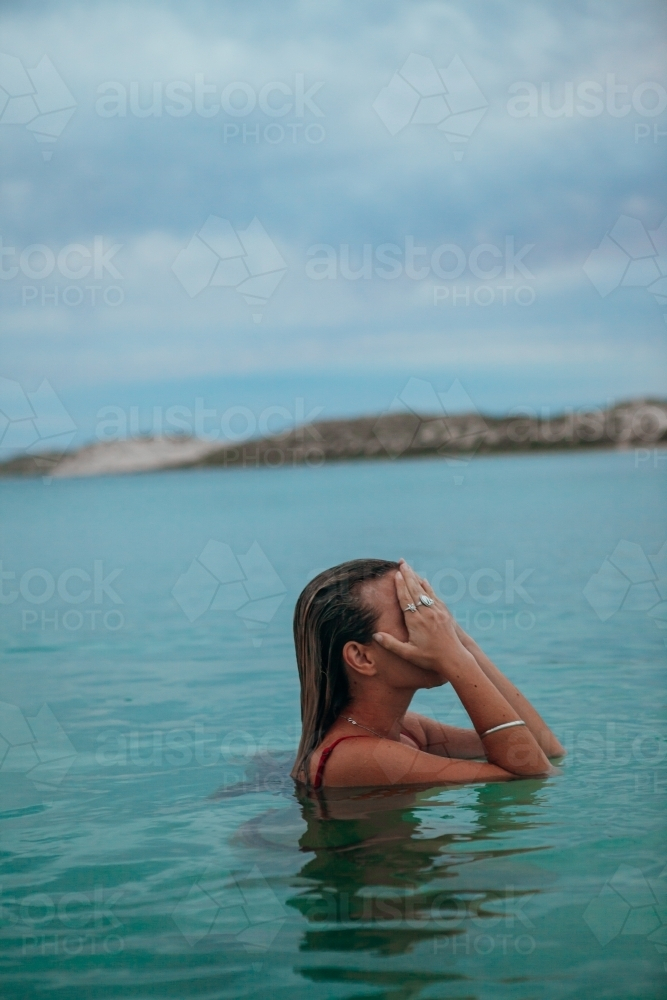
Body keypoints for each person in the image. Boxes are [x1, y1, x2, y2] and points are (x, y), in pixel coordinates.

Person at [291, 558, 565, 790]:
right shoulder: (360, 756)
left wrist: (461, 641)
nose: (432, 626)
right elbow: (530, 777)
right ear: (362, 658)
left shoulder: (406, 729)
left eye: (427, 609)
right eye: (410, 613)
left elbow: (544, 749)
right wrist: (457, 661)